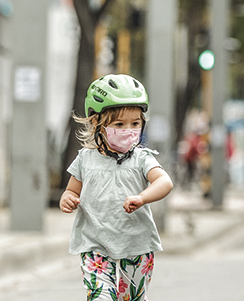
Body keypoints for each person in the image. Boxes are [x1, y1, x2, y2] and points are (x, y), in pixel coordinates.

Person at [59, 74, 174, 301]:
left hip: (136, 245)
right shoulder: (85, 159)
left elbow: (164, 182)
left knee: (131, 298)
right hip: (95, 245)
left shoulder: (142, 158)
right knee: (101, 296)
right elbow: (72, 190)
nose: (128, 130)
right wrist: (67, 199)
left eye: (135, 124)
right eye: (119, 124)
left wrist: (142, 198)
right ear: (96, 122)